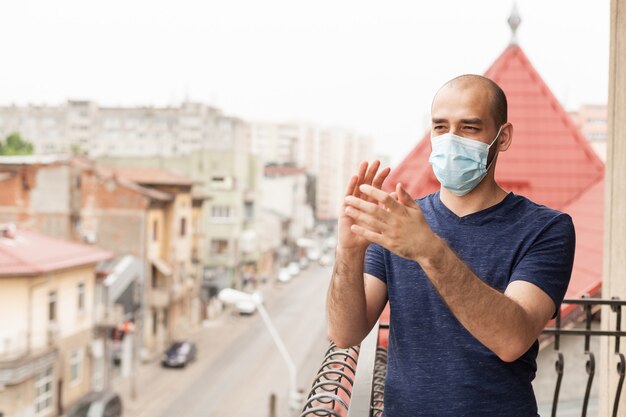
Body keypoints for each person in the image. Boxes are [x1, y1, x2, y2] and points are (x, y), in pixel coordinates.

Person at [326, 74, 575, 416]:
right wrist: (349, 252)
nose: (451, 140)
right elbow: (344, 332)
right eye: (440, 127)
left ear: (502, 138)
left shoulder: (546, 229)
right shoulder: (400, 220)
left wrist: (429, 250)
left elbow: (512, 340)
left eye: (469, 128)